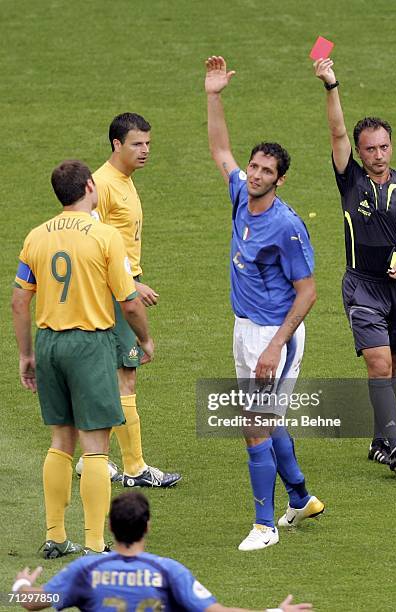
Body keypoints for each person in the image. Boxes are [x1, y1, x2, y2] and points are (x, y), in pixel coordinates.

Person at [205, 56, 324, 552]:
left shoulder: (287, 225)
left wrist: (276, 347)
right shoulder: (240, 192)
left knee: (253, 425)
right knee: (265, 419)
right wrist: (214, 95)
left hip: (275, 334)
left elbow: (308, 292)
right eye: (254, 166)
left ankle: (264, 526)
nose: (254, 174)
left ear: (281, 179)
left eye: (266, 171)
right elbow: (220, 150)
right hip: (245, 327)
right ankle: (300, 497)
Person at [12, 160, 155, 556]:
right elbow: (129, 302)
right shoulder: (106, 236)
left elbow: (20, 300)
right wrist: (145, 339)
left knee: (60, 440)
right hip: (89, 344)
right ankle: (94, 543)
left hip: (48, 343)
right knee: (96, 447)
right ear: (90, 186)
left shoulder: (36, 237)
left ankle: (55, 536)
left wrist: (27, 354)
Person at [313, 58, 396, 474]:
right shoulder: (350, 180)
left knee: (394, 365)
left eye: (384, 146)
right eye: (369, 148)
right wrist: (331, 84)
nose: (378, 154)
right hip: (363, 287)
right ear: (358, 150)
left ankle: (379, 437)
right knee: (379, 363)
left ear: (391, 146)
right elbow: (336, 131)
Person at [75, 112, 181, 488]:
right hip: (114, 290)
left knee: (104, 376)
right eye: (137, 144)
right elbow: (93, 237)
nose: (145, 150)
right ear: (116, 145)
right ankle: (135, 468)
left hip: (116, 284)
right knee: (125, 377)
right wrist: (130, 284)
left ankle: (91, 459)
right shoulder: (103, 185)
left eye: (148, 143)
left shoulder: (122, 180)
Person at [12, 492, 313, 611]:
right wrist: (275, 611)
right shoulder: (168, 571)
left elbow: (32, 601)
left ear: (111, 528)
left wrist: (21, 584)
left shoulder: (85, 571)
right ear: (148, 526)